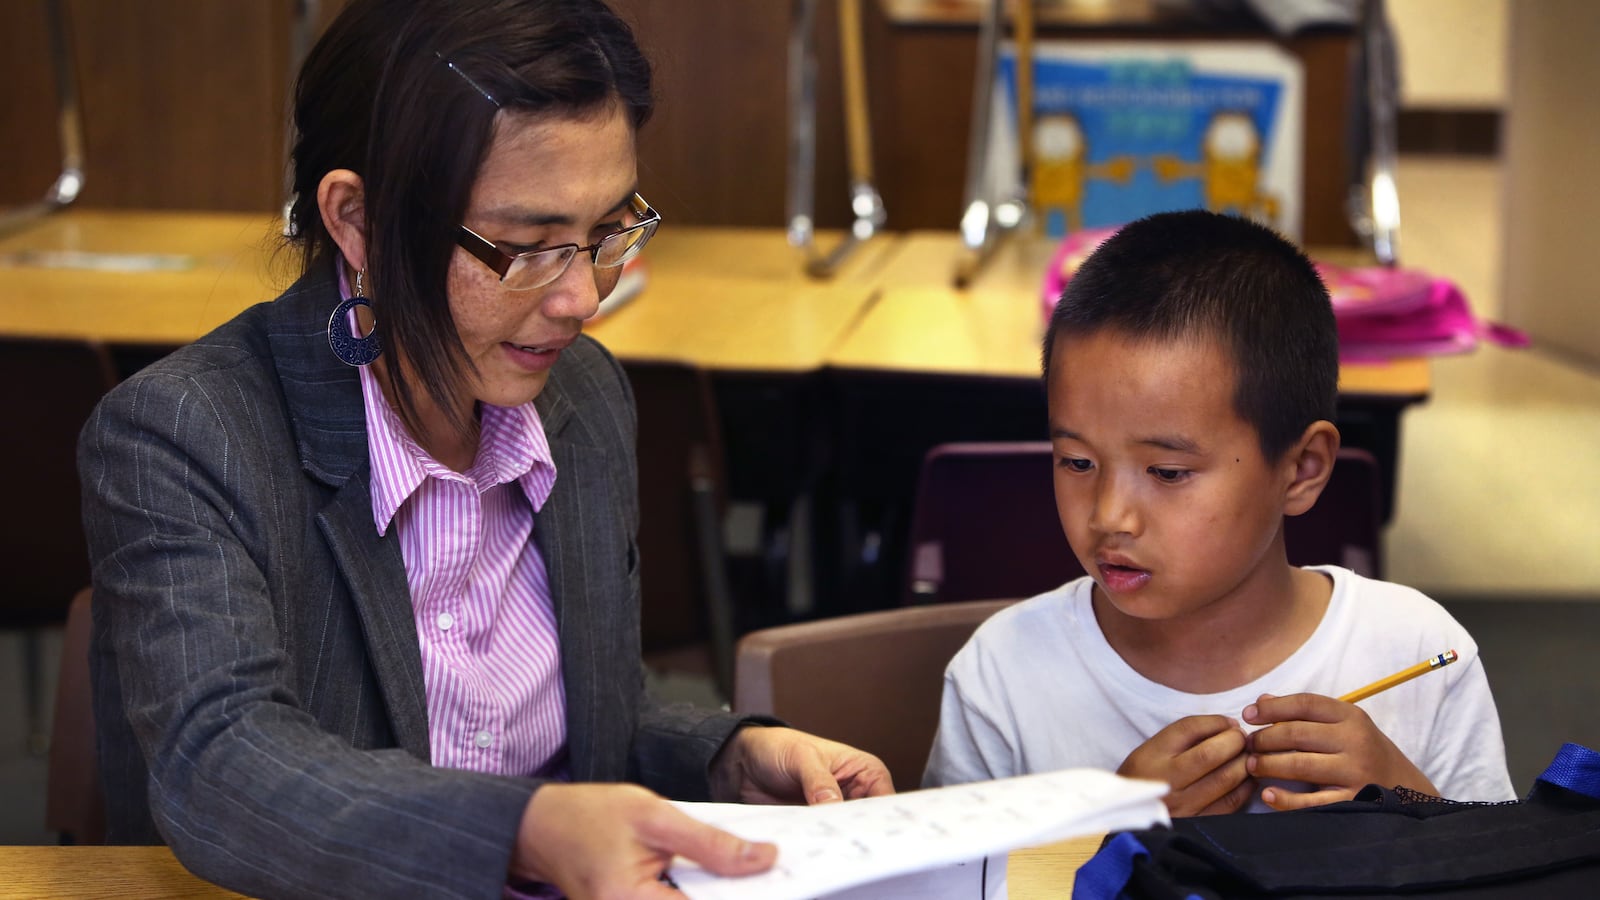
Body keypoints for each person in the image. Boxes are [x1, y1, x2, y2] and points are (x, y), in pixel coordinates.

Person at [77, 1, 891, 897]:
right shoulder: (189, 435)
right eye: (527, 247)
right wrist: (523, 830)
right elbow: (223, 769)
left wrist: (724, 759)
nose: (583, 297)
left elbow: (590, 716)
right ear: (358, 221)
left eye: (610, 231)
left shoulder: (583, 397)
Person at [922, 210, 1514, 816]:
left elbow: (1505, 874)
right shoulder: (1001, 677)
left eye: (1168, 472)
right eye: (1076, 462)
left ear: (1303, 468)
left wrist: (1410, 797)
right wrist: (1106, 830)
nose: (1110, 516)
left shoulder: (1417, 649)